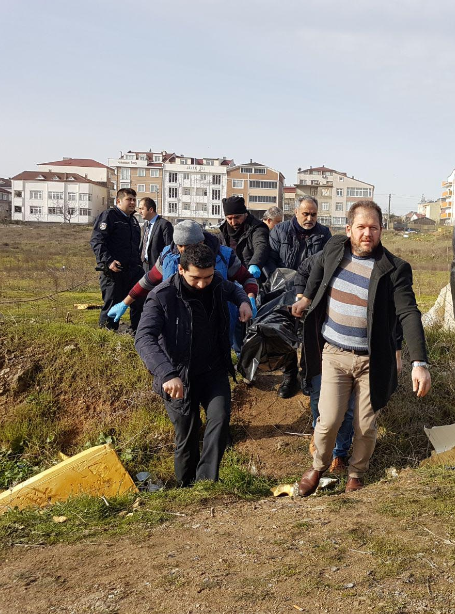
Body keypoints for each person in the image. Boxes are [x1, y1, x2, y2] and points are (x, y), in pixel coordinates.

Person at [292, 200, 431, 494]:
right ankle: (318, 466)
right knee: (328, 420)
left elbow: (408, 313)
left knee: (365, 426)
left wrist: (419, 362)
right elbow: (318, 267)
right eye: (361, 227)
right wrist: (306, 296)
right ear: (349, 229)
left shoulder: (394, 269)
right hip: (334, 354)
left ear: (381, 230)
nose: (367, 233)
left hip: (372, 360)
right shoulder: (334, 248)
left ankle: (356, 472)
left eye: (374, 228)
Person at [135, 243, 253, 486]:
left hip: (214, 370)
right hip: (178, 376)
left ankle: (206, 484)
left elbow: (235, 290)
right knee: (186, 436)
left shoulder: (217, 282)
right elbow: (143, 338)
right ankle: (185, 486)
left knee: (219, 421)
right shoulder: (161, 296)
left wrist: (243, 302)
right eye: (195, 278)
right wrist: (167, 374)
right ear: (180, 269)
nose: (202, 284)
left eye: (207, 277)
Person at [107, 220, 258, 323]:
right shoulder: (168, 255)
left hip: (217, 317)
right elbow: (149, 280)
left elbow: (247, 279)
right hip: (178, 318)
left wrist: (249, 299)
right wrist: (125, 302)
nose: (185, 252)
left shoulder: (224, 256)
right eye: (181, 247)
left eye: (190, 246)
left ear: (202, 242)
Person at [269, 196, 331, 398]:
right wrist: (280, 286)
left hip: (311, 293)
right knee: (285, 334)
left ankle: (306, 374)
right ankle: (289, 376)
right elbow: (270, 262)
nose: (310, 218)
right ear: (296, 212)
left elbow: (327, 265)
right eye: (305, 213)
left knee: (309, 335)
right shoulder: (280, 231)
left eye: (313, 214)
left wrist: (310, 292)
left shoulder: (324, 235)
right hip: (284, 292)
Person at [90, 188, 144, 332]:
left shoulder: (132, 221)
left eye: (134, 199)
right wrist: (108, 261)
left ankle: (137, 335)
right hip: (114, 272)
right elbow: (97, 241)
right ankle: (107, 337)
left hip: (133, 271)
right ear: (119, 201)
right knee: (113, 305)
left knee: (139, 302)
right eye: (129, 199)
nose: (132, 202)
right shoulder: (109, 216)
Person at [219, 196, 270, 279]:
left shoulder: (257, 227)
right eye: (229, 218)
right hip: (230, 275)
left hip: (250, 275)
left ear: (245, 214)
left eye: (237, 217)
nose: (233, 222)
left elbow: (261, 245)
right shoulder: (223, 231)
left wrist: (255, 264)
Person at [138, 197, 173, 272]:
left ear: (151, 209)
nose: (139, 212)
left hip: (158, 268)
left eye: (142, 209)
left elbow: (169, 248)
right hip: (144, 266)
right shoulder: (145, 226)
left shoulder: (164, 224)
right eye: (139, 209)